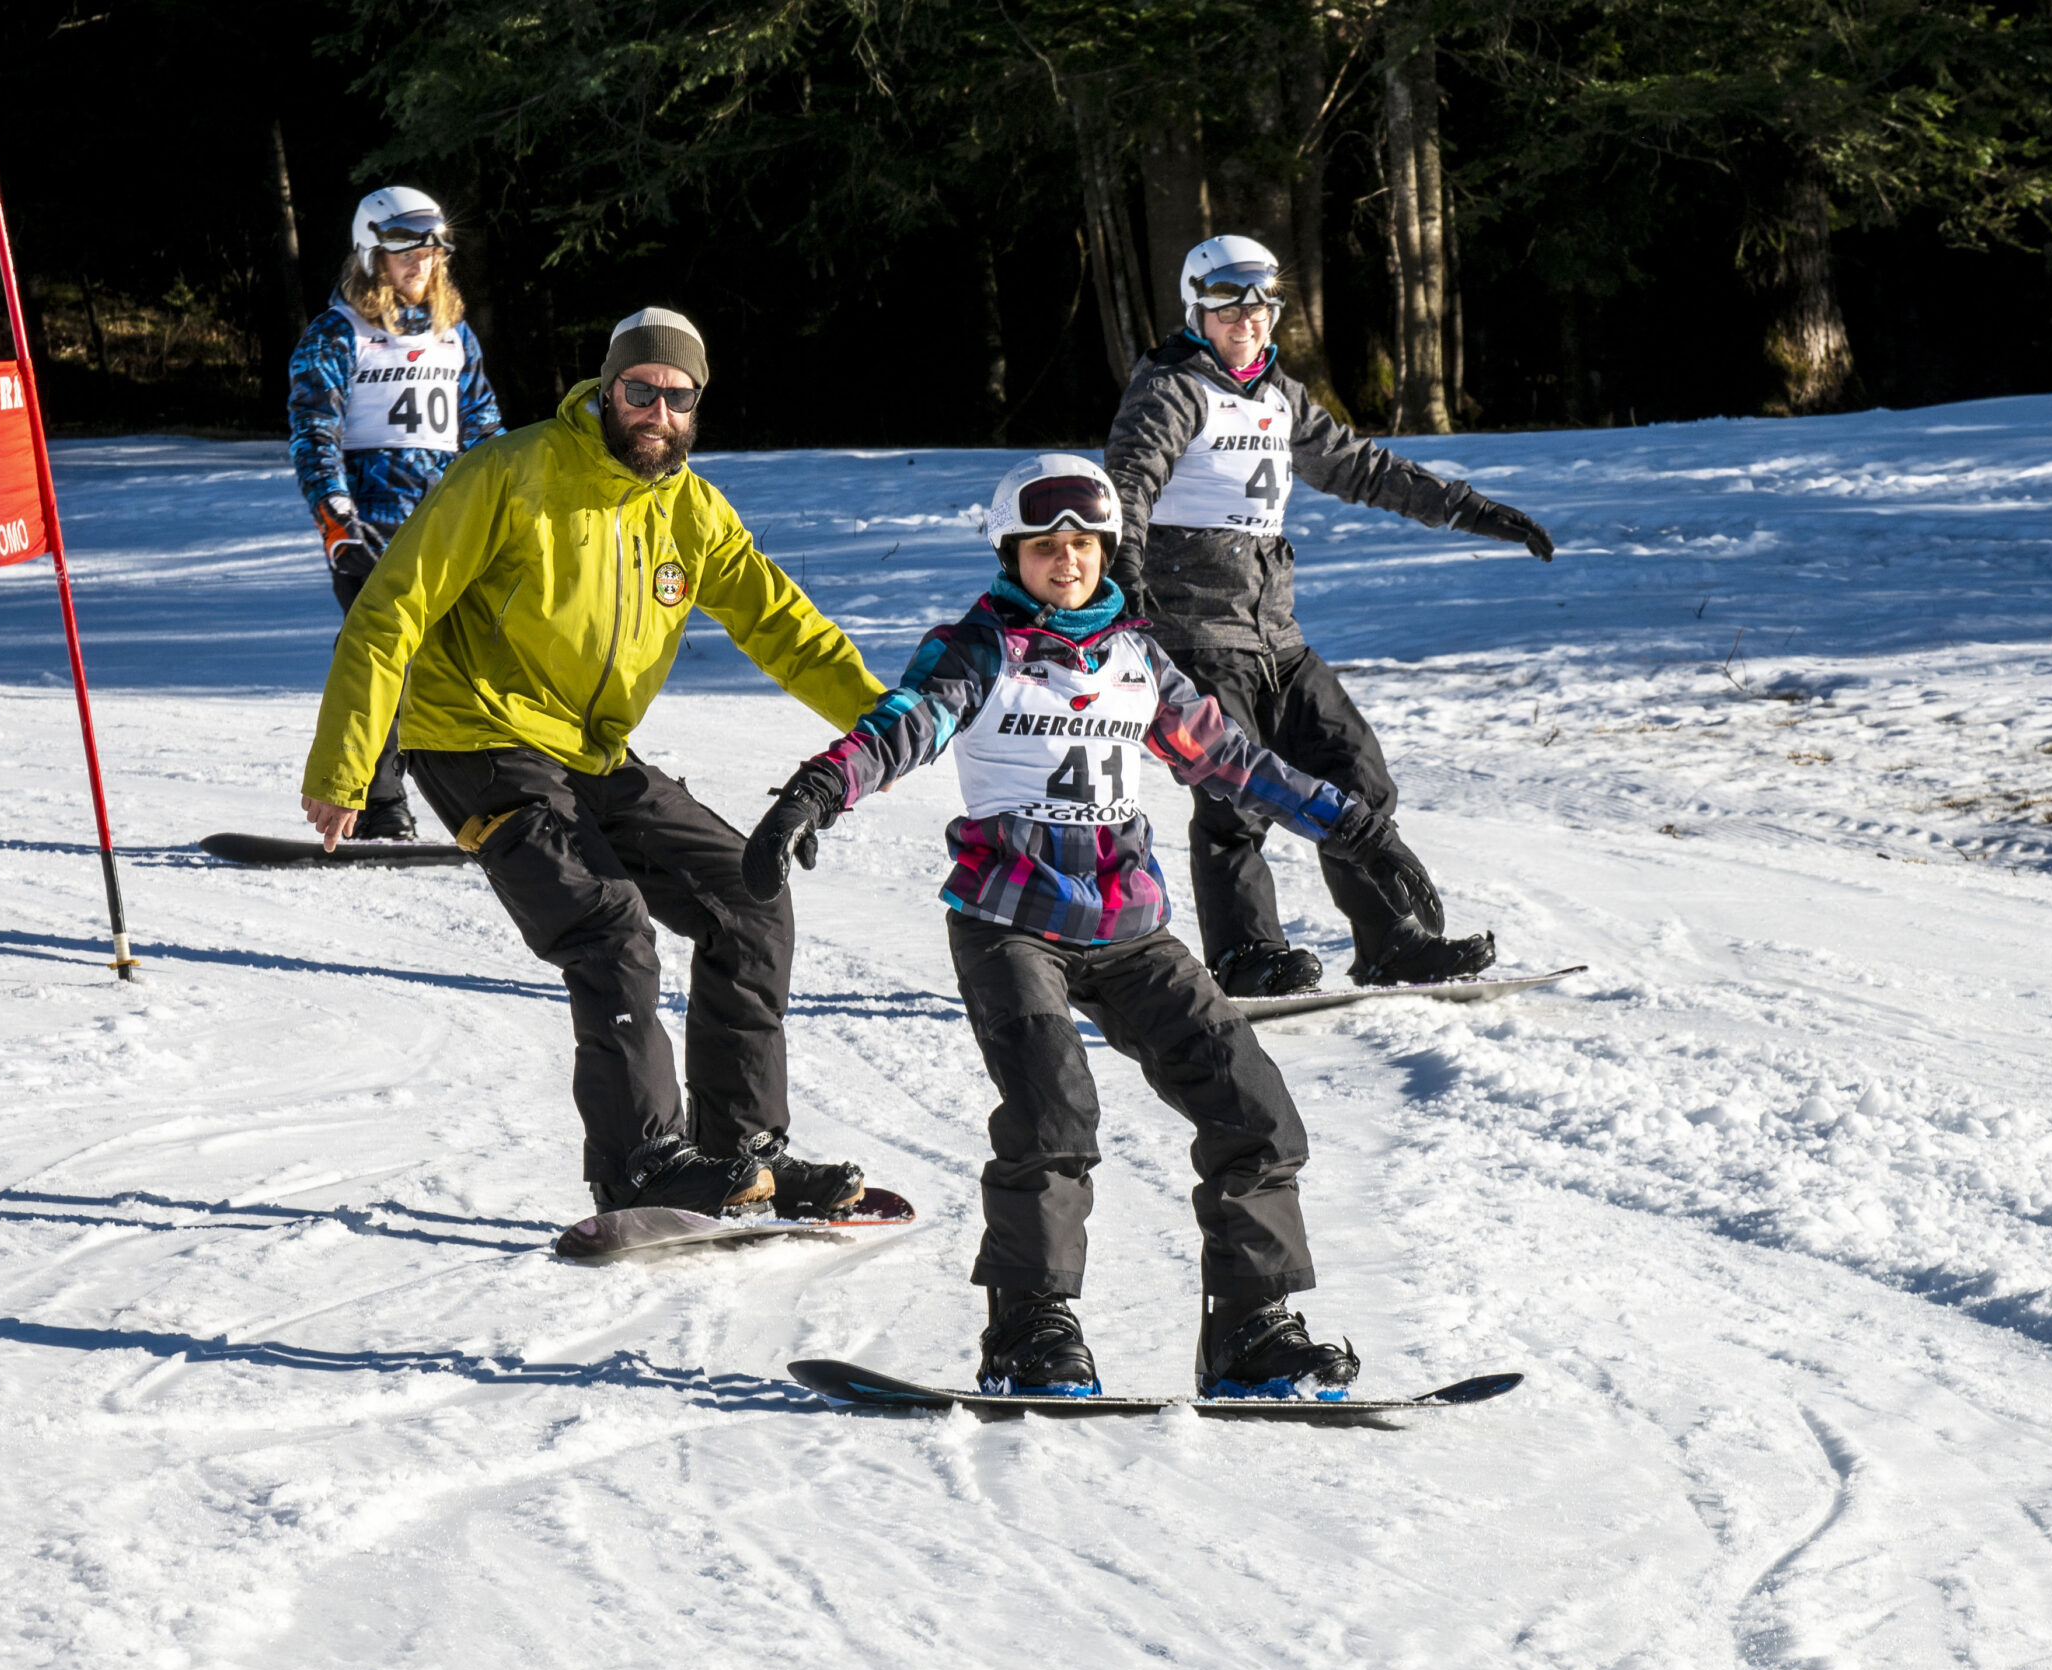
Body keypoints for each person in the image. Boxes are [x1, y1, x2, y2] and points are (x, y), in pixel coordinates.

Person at [743, 456, 1397, 1399]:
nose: (1067, 562)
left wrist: (1355, 826)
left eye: (1084, 545)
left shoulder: (1139, 659)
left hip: (1131, 929)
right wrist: (816, 792)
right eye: (1047, 546)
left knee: (1253, 1109)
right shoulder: (979, 649)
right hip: (1010, 921)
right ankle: (1028, 1330)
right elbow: (899, 726)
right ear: (1014, 552)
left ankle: (1252, 1332)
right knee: (1054, 1112)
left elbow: (1235, 761)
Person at [299, 307, 885, 1218]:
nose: (657, 409)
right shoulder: (509, 471)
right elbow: (390, 610)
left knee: (748, 894)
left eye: (676, 395)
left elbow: (784, 628)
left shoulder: (692, 511)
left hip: (589, 748)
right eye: (639, 390)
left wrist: (892, 723)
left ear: (697, 405)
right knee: (610, 928)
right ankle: (640, 1162)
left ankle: (744, 1151)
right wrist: (345, 770)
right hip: (473, 736)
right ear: (607, 390)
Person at [1106, 233, 1554, 994]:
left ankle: (1390, 943)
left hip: (1276, 633)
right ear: (1197, 309)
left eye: (1261, 303)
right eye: (1226, 302)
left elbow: (1361, 467)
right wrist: (1124, 580)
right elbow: (1129, 485)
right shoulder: (1171, 388)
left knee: (1357, 777)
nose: (1247, 318)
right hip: (1195, 630)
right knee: (1233, 796)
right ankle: (1246, 954)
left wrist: (1472, 511)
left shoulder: (1280, 396)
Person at [287, 186, 503, 839]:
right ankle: (379, 803)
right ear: (372, 253)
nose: (423, 261)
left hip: (444, 522)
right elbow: (313, 433)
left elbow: (485, 429)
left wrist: (500, 509)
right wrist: (336, 519)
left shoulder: (452, 333)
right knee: (381, 654)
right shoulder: (337, 333)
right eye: (407, 248)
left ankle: (476, 801)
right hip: (369, 523)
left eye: (434, 248)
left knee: (460, 659)